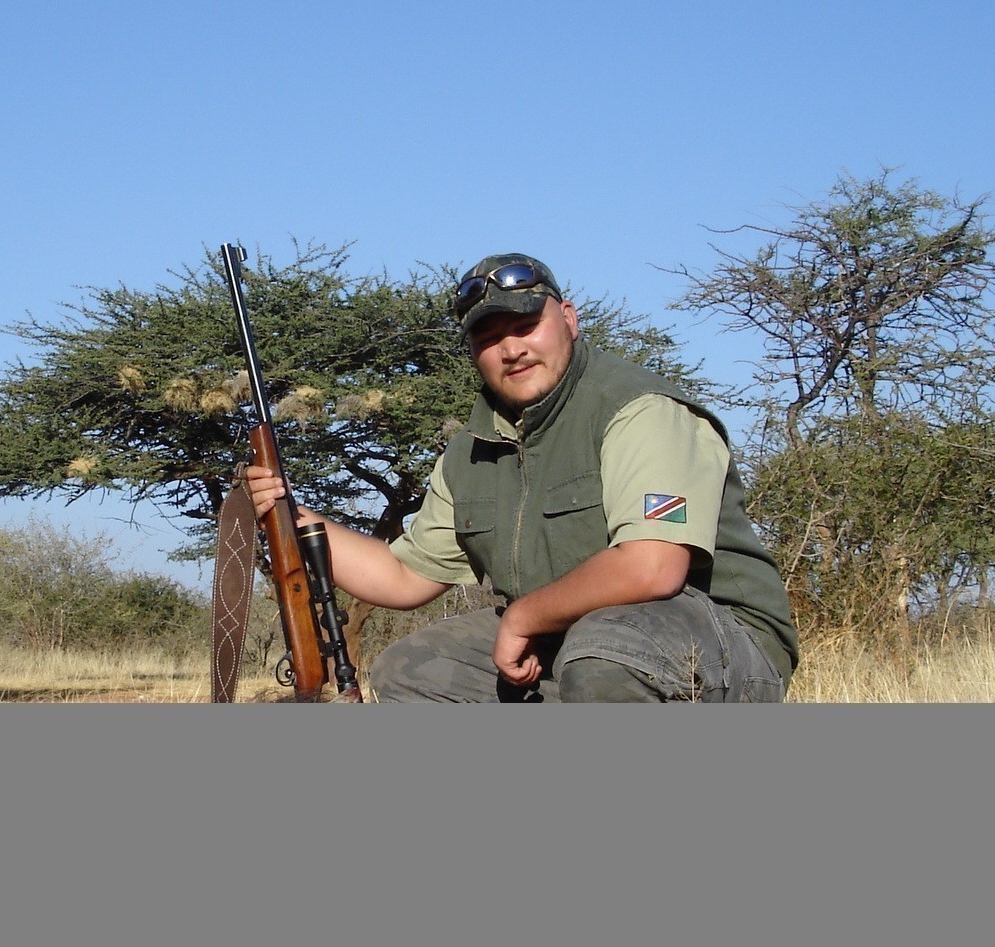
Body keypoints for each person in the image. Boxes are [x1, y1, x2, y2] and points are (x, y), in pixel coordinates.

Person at [245, 254, 799, 702]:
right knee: (411, 670)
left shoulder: (637, 408)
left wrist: (523, 617)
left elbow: (652, 567)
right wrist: (290, 515)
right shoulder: (470, 450)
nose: (511, 349)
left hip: (717, 645)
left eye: (525, 325)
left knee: (605, 655)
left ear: (569, 319)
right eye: (489, 338)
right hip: (569, 644)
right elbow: (402, 578)